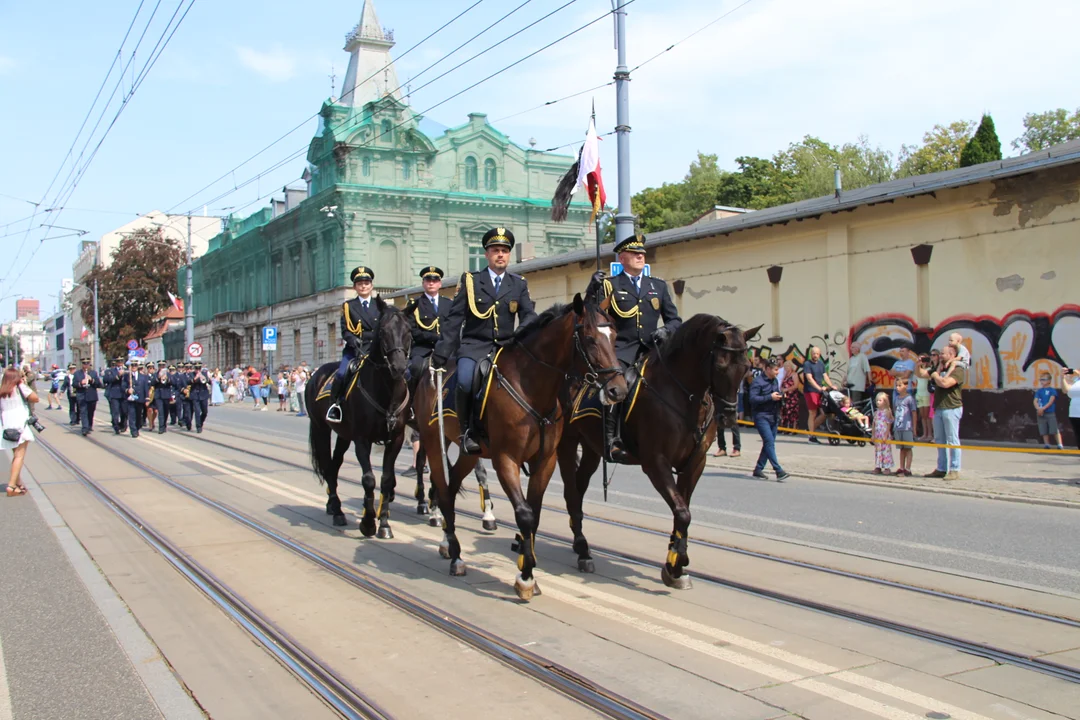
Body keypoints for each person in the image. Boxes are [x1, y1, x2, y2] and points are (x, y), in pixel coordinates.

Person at [433, 227, 537, 454]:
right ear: (487, 254)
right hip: (474, 346)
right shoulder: (471, 281)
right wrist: (441, 353)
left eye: (504, 251)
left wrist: (521, 333)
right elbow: (454, 320)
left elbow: (529, 314)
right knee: (465, 381)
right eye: (495, 250)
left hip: (507, 348)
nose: (500, 254)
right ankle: (467, 430)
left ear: (509, 255)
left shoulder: (518, 283)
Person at [584, 232, 681, 462]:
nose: (640, 257)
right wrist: (591, 290)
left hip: (653, 349)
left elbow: (674, 320)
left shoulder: (657, 286)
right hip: (623, 350)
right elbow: (590, 316)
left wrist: (666, 331)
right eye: (635, 254)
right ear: (622, 258)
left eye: (642, 254)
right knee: (618, 386)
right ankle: (611, 439)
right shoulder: (609, 285)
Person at [327, 266, 381, 423]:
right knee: (341, 374)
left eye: (366, 283)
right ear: (354, 287)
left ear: (371, 285)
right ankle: (335, 406)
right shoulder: (348, 306)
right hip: (355, 350)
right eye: (360, 284)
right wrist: (354, 341)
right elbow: (345, 331)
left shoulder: (379, 305)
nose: (363, 286)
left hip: (376, 350)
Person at [923, 344, 965, 480]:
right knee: (940, 440)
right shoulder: (939, 368)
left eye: (943, 353)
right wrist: (919, 364)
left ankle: (954, 469)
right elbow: (922, 374)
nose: (940, 356)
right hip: (939, 408)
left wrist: (935, 375)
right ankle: (941, 468)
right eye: (940, 353)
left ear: (952, 355)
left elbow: (945, 384)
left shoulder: (958, 369)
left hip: (952, 408)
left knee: (952, 440)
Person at [406, 266, 450, 382]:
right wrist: (434, 337)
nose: (431, 283)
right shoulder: (414, 304)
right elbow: (412, 330)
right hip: (423, 348)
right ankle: (412, 396)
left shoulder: (449, 303)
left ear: (440, 284)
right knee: (415, 368)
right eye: (428, 281)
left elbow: (454, 327)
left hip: (446, 347)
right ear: (423, 283)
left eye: (434, 281)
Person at [748, 357, 789, 481]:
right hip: (761, 416)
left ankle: (758, 469)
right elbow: (753, 399)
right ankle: (778, 470)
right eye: (775, 370)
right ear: (767, 369)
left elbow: (775, 393)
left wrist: (781, 396)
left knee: (768, 444)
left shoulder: (775, 381)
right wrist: (769, 397)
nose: (777, 372)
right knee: (769, 442)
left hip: (774, 416)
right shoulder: (757, 382)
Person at [1, 367, 39, 496]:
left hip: (7, 425)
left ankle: (18, 484)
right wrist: (23, 384)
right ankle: (11, 486)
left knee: (15, 454)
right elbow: (35, 398)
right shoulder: (19, 387)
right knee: (19, 456)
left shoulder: (2, 390)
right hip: (20, 424)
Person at [802, 346, 833, 444]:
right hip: (810, 391)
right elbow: (809, 378)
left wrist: (831, 386)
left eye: (817, 354)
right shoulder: (807, 364)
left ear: (820, 354)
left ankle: (810, 430)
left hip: (820, 392)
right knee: (813, 413)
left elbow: (825, 376)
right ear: (811, 354)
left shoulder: (821, 364)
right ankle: (811, 437)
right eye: (814, 353)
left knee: (824, 413)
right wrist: (818, 388)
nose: (815, 355)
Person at [1034, 372, 1064, 449]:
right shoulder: (1039, 391)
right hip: (1040, 413)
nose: (1042, 381)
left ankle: (1059, 444)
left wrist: (1043, 408)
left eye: (1044, 379)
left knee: (1054, 428)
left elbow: (1051, 401)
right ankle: (1047, 444)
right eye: (1041, 379)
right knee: (1043, 429)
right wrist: (1038, 408)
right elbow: (1035, 401)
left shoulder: (1052, 390)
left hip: (1050, 412)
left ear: (1049, 381)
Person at [73, 358, 103, 436]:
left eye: (87, 364)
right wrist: (80, 383)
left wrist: (92, 380)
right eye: (84, 364)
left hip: (91, 396)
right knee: (83, 412)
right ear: (82, 364)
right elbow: (74, 384)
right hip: (82, 396)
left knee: (90, 412)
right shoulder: (77, 373)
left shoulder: (93, 373)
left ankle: (89, 425)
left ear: (89, 364)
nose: (85, 365)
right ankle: (85, 428)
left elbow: (99, 384)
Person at [893, 380, 916, 476]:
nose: (897, 388)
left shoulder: (909, 399)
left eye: (900, 385)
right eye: (896, 386)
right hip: (898, 427)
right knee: (902, 448)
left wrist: (914, 427)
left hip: (907, 427)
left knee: (908, 448)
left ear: (906, 386)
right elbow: (895, 411)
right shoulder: (897, 398)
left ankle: (908, 468)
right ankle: (901, 467)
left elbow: (914, 413)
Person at [102, 356, 129, 434]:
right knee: (115, 411)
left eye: (121, 361)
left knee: (124, 411)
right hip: (114, 394)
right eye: (118, 361)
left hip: (124, 394)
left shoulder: (127, 371)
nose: (120, 363)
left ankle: (123, 425)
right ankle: (116, 426)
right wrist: (117, 376)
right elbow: (106, 380)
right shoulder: (110, 371)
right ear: (116, 363)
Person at [125, 361, 150, 438]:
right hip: (131, 399)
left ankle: (137, 427)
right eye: (132, 365)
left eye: (135, 365)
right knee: (132, 415)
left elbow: (146, 388)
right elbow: (123, 386)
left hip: (140, 399)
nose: (134, 367)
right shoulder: (127, 376)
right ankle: (133, 431)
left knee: (138, 416)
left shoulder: (143, 377)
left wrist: (147, 399)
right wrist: (127, 390)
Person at [872, 392, 894, 475]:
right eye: (877, 400)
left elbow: (889, 424)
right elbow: (874, 424)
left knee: (886, 451)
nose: (878, 402)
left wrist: (886, 435)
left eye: (880, 400)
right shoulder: (876, 412)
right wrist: (873, 434)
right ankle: (878, 466)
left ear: (885, 401)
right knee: (878, 451)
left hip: (884, 435)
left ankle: (887, 467)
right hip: (877, 435)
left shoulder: (887, 412)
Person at [915, 353, 933, 441]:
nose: (922, 361)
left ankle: (929, 434)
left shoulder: (929, 370)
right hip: (919, 394)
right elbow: (917, 374)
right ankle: (924, 434)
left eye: (923, 359)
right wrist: (917, 365)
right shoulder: (918, 369)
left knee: (927, 416)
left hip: (926, 394)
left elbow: (923, 374)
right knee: (922, 416)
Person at [152, 361, 174, 434]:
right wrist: (158, 378)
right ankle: (161, 427)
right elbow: (152, 383)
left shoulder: (168, 374)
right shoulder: (155, 374)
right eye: (160, 365)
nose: (161, 367)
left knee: (165, 411)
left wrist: (167, 379)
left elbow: (173, 382)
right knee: (160, 411)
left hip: (166, 395)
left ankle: (164, 425)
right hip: (158, 395)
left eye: (163, 365)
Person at [1063, 369, 1080, 449]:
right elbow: (1065, 390)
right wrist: (1063, 378)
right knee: (1078, 435)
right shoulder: (1075, 381)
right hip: (1074, 412)